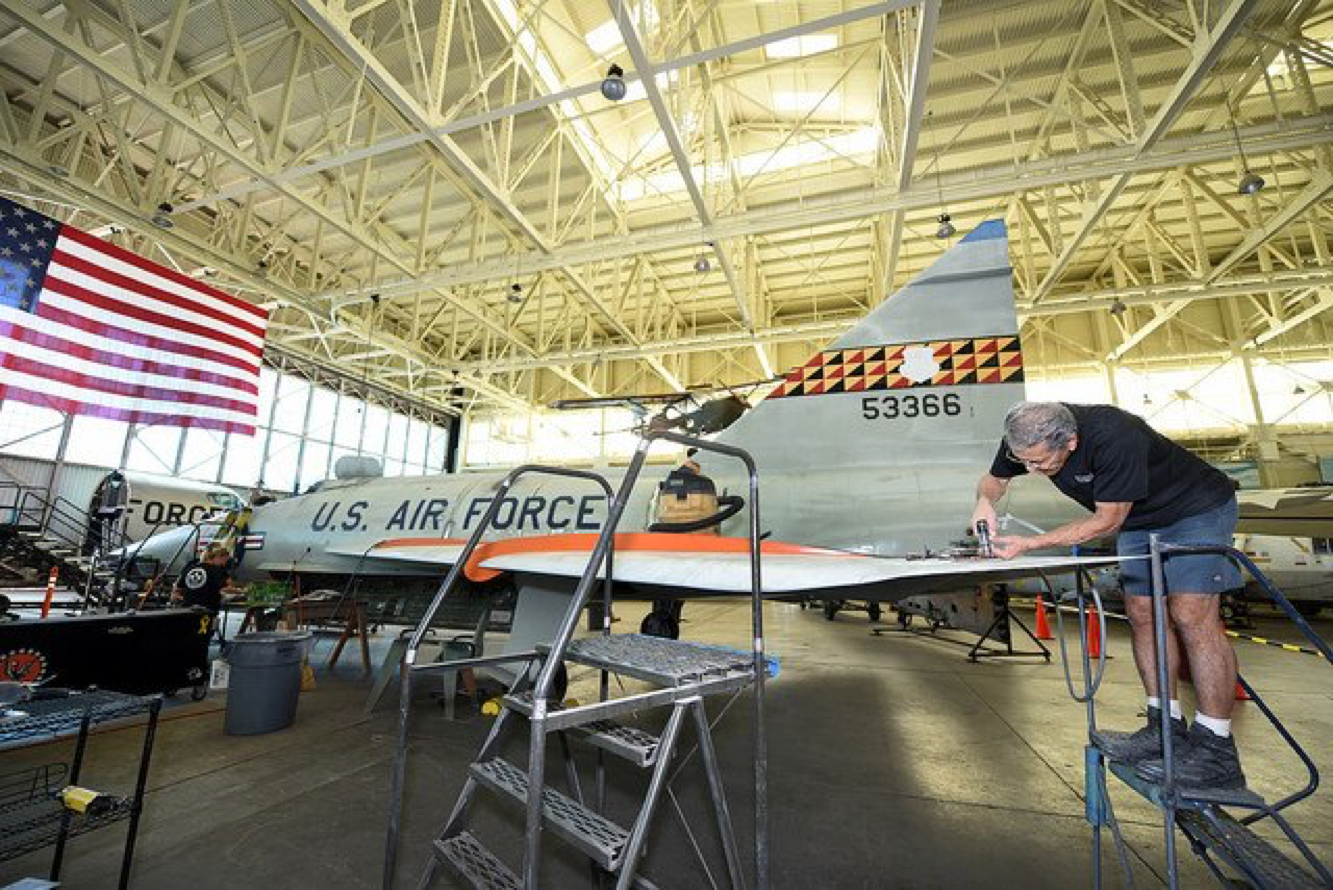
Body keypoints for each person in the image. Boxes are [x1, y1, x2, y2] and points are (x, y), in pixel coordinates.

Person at [971, 401, 1245, 790]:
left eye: (1040, 463)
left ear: (1070, 441)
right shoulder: (1027, 433)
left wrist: (1029, 544)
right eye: (1024, 461)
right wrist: (984, 502)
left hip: (1194, 509)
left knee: (1190, 613)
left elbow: (1107, 520)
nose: (1030, 470)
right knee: (1142, 613)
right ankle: (1163, 725)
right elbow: (994, 480)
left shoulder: (1115, 435)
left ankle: (1216, 746)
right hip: (1139, 519)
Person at [171, 545, 246, 615]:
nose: (223, 564)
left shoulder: (191, 568)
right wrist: (243, 591)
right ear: (218, 557)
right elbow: (226, 589)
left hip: (187, 610)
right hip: (206, 611)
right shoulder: (216, 571)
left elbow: (177, 588)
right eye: (224, 560)